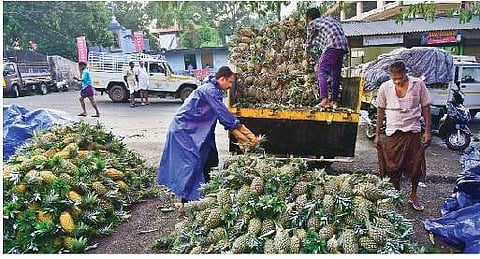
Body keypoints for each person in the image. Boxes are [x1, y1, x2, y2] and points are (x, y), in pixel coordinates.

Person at [157, 66, 258, 217]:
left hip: (199, 132)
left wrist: (238, 131)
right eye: (229, 82)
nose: (230, 86)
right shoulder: (209, 90)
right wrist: (241, 129)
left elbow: (220, 115)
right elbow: (222, 112)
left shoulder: (214, 90)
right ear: (221, 79)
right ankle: (186, 203)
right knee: (192, 165)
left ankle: (206, 195)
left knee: (212, 159)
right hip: (184, 131)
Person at [374, 61, 432, 211]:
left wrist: (427, 131)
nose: (398, 81)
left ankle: (413, 195)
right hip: (393, 134)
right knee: (392, 168)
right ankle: (395, 195)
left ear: (406, 73)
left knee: (415, 166)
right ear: (391, 76)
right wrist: (377, 134)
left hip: (413, 132)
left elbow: (426, 107)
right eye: (395, 79)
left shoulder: (418, 84)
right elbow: (380, 111)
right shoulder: (385, 88)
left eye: (400, 78)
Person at [305, 7, 349, 109]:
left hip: (332, 45)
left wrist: (306, 53)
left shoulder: (312, 23)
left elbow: (309, 41)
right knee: (335, 74)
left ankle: (324, 100)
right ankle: (334, 101)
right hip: (343, 46)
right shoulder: (329, 20)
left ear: (308, 18)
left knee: (321, 71)